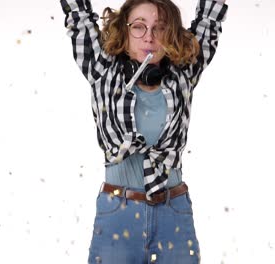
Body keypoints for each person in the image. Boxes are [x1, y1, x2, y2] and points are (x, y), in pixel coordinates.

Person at [60, 0, 227, 263]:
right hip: (117, 212)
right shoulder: (102, 70)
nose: (149, 37)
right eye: (139, 27)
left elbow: (209, 20)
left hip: (174, 211)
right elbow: (79, 17)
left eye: (159, 28)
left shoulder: (184, 72)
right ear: (124, 31)